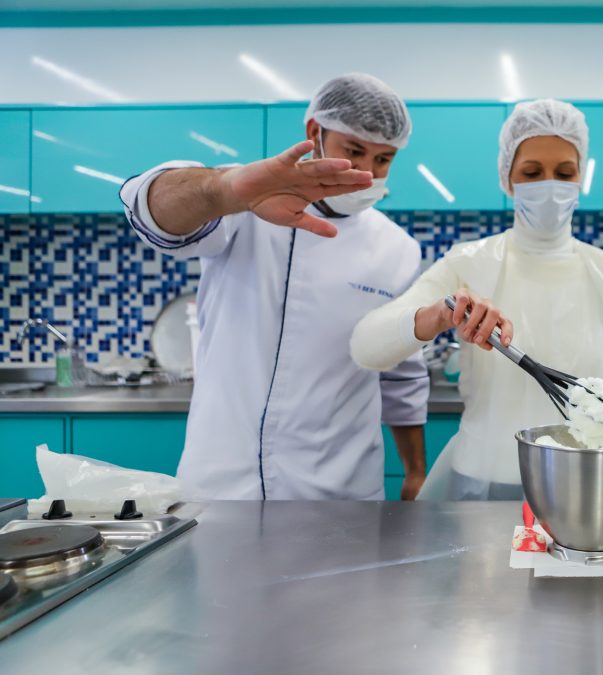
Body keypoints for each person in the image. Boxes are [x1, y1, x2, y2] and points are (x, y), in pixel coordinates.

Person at [350, 99, 603, 500]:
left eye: (564, 172)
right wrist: (436, 315)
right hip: (481, 490)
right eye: (532, 172)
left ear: (580, 180)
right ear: (508, 179)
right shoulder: (467, 264)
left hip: (581, 492)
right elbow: (367, 346)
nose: (549, 185)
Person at [119, 73, 429, 500]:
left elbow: (402, 372)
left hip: (341, 490)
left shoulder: (398, 250)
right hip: (224, 486)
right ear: (314, 133)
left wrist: (415, 471)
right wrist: (225, 189)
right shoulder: (242, 206)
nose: (366, 173)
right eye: (354, 151)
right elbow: (151, 214)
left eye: (384, 160)